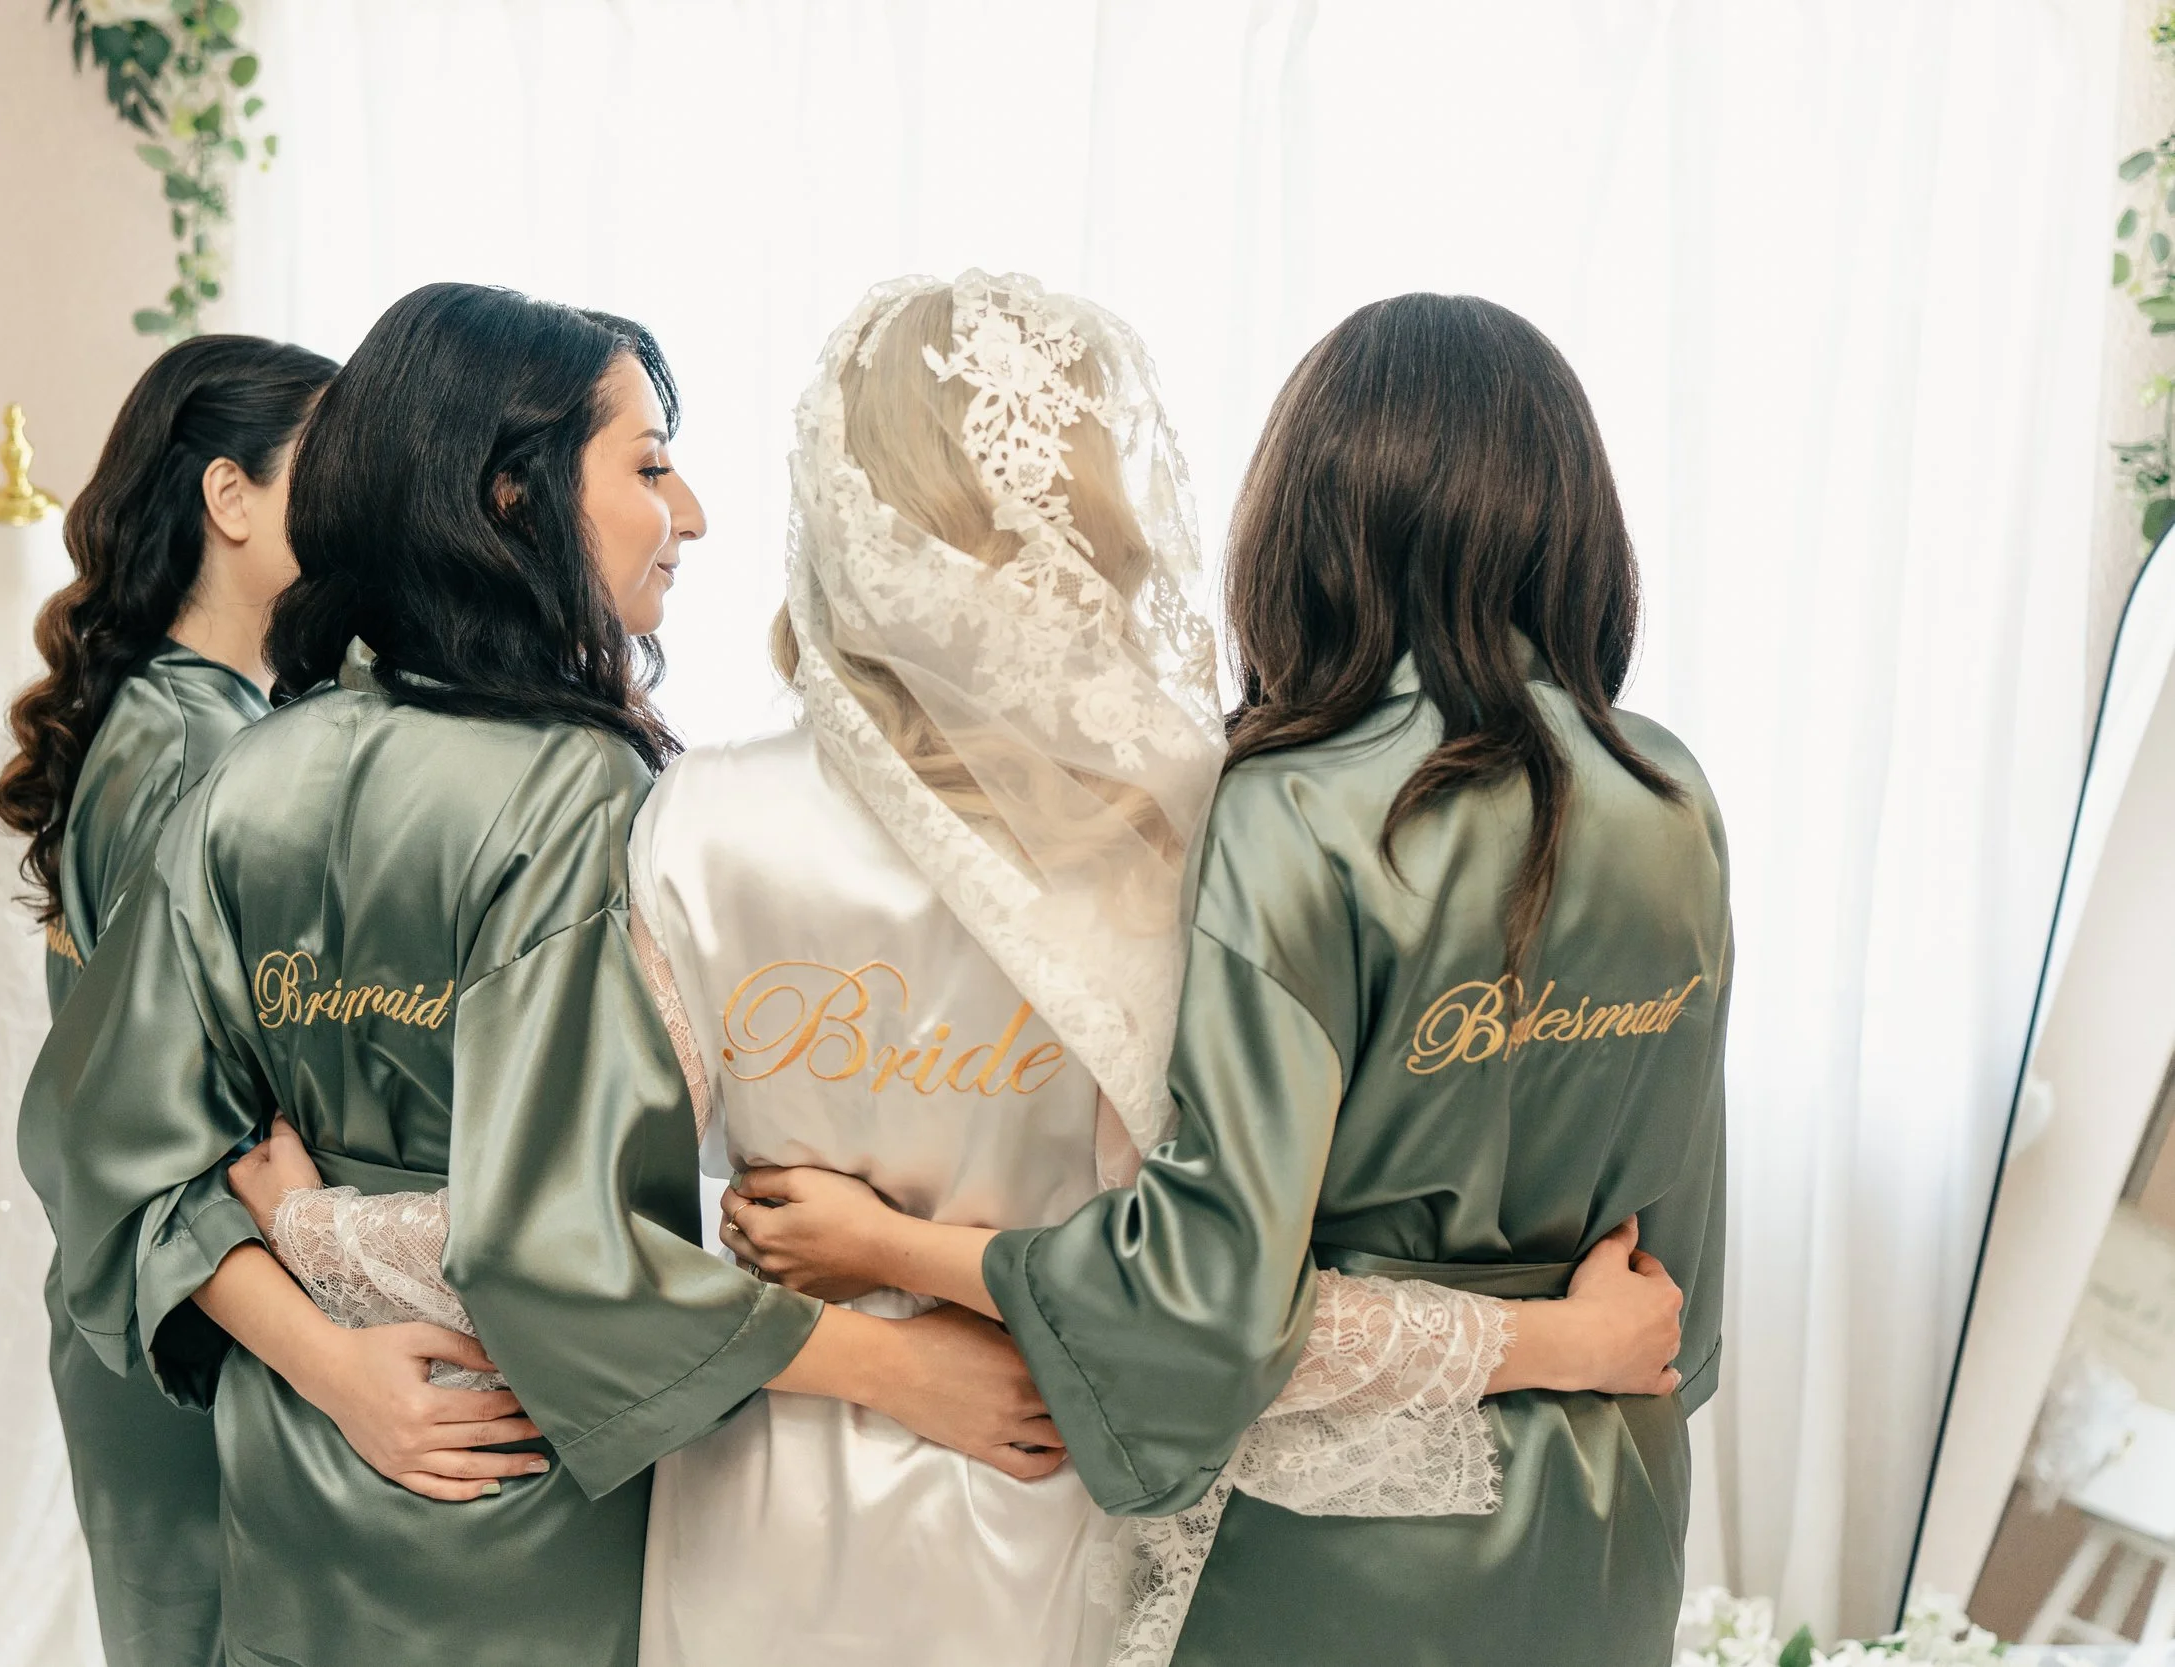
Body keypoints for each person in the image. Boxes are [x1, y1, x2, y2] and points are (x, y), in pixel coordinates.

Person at [225, 274, 1688, 1667]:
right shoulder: (1197, 821)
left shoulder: (705, 819)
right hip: (1065, 1453)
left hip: (773, 1485)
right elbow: (1216, 1285)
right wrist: (1553, 1339)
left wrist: (316, 1228)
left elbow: (569, 1240)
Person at [19, 283, 1056, 1667]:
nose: (691, 515)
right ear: (515, 497)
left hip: (300, 1466)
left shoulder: (253, 773)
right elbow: (554, 1249)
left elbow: (109, 1138)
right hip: (519, 1486)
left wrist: (326, 1341)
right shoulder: (583, 793)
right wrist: (897, 1367)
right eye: (650, 466)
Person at [726, 291, 1730, 1667]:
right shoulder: (1670, 793)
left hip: (1346, 1559)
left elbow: (1211, 1307)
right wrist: (1582, 1348)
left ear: (1309, 522)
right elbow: (1681, 1290)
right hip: (1608, 1522)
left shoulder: (1298, 805)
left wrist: (890, 1249)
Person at [0, 333, 341, 1667]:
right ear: (228, 496)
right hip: (184, 1320)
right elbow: (146, 1105)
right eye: (328, 468)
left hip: (193, 1302)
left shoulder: (210, 717)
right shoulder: (193, 744)